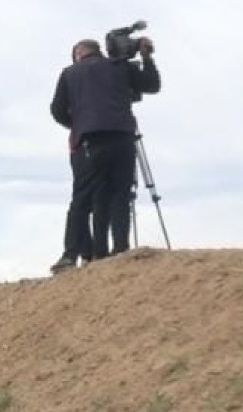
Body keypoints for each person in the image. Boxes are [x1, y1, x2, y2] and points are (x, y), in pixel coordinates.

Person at [49, 36, 161, 273]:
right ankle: (120, 248)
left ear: (78, 53)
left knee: (82, 198)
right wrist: (146, 57)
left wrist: (79, 123)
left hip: (90, 141)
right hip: (122, 136)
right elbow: (152, 85)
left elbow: (57, 110)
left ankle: (70, 255)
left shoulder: (70, 73)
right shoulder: (121, 66)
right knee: (121, 193)